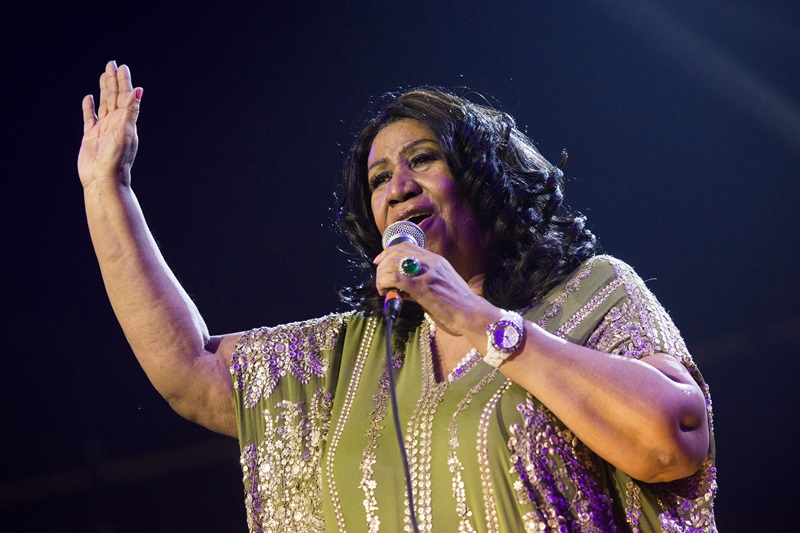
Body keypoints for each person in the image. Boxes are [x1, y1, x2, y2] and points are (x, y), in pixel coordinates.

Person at [78, 60, 716, 532]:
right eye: (380, 177)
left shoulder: (591, 297)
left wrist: (473, 316)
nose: (398, 186)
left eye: (424, 159)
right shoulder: (350, 359)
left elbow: (672, 437)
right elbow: (188, 368)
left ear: (484, 180)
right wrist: (110, 192)